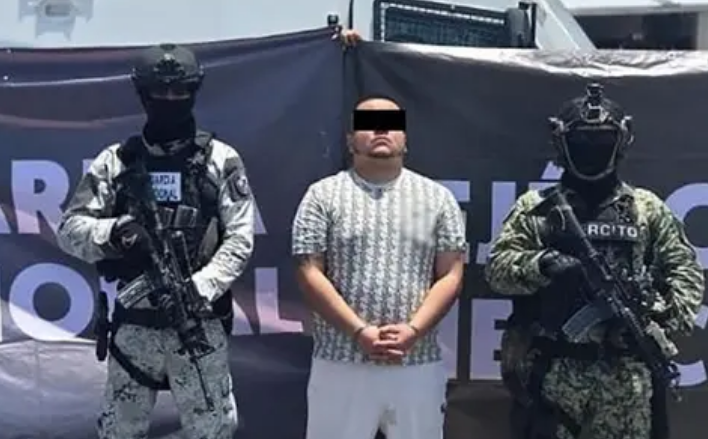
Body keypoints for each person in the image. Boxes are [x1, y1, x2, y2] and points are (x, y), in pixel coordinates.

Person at [56, 43, 255, 439]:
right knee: (119, 431)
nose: (169, 99)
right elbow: (69, 230)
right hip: (135, 327)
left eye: (179, 91)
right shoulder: (116, 161)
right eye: (159, 92)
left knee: (212, 429)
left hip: (198, 323)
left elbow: (240, 239)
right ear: (142, 94)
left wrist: (199, 287)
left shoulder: (220, 160)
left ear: (194, 91)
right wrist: (115, 232)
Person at [485, 83, 704, 439]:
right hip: (553, 373)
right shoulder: (536, 207)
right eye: (582, 140)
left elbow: (686, 273)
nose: (591, 149)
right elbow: (497, 269)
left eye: (601, 141)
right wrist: (542, 264)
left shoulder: (646, 209)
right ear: (561, 142)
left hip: (626, 380)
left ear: (622, 142)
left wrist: (655, 317)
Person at [291, 96, 467, 439]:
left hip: (415, 361)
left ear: (405, 139)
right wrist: (360, 332)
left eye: (391, 123)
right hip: (340, 360)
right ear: (350, 140)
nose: (381, 130)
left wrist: (413, 331)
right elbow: (309, 273)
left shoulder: (438, 198)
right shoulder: (321, 196)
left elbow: (451, 274)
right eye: (369, 124)